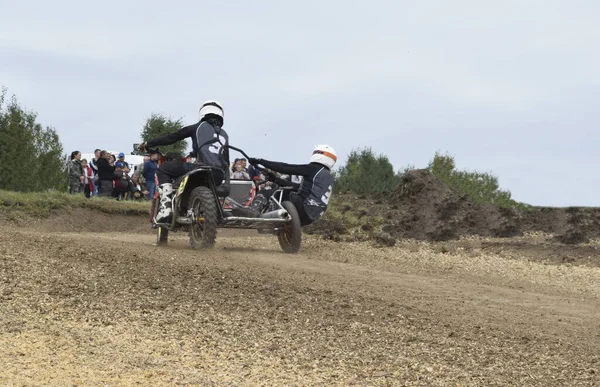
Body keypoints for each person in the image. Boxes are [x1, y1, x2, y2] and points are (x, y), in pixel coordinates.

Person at [138, 100, 230, 222]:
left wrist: (148, 143)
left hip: (200, 168)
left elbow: (172, 137)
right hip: (218, 173)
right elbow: (226, 160)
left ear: (203, 113)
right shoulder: (224, 134)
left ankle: (165, 208)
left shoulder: (197, 127)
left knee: (164, 168)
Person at [246, 145, 337, 226]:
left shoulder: (313, 168)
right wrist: (276, 180)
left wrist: (261, 161)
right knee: (290, 191)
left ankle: (254, 212)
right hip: (311, 217)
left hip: (303, 207)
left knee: (268, 192)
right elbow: (297, 187)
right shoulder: (327, 176)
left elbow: (286, 168)